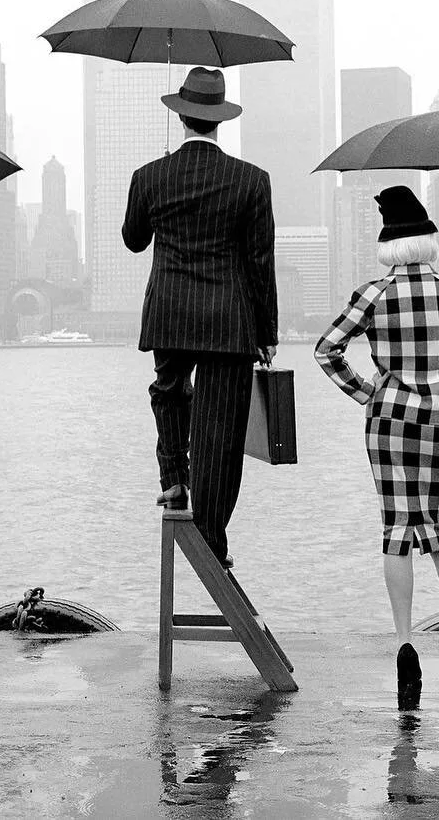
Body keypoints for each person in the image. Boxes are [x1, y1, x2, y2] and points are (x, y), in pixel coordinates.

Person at [314, 185, 439, 709]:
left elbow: (326, 349)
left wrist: (367, 391)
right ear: (428, 243)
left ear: (388, 248)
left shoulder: (372, 295)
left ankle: (404, 643)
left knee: (399, 528)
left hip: (391, 417)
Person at [121, 66, 278, 568]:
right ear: (219, 121)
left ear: (181, 115)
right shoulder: (251, 180)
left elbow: (133, 238)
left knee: (168, 393)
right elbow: (259, 262)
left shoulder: (150, 176)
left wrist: (157, 191)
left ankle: (172, 480)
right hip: (229, 320)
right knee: (220, 431)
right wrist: (267, 332)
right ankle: (211, 535)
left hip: (170, 313)